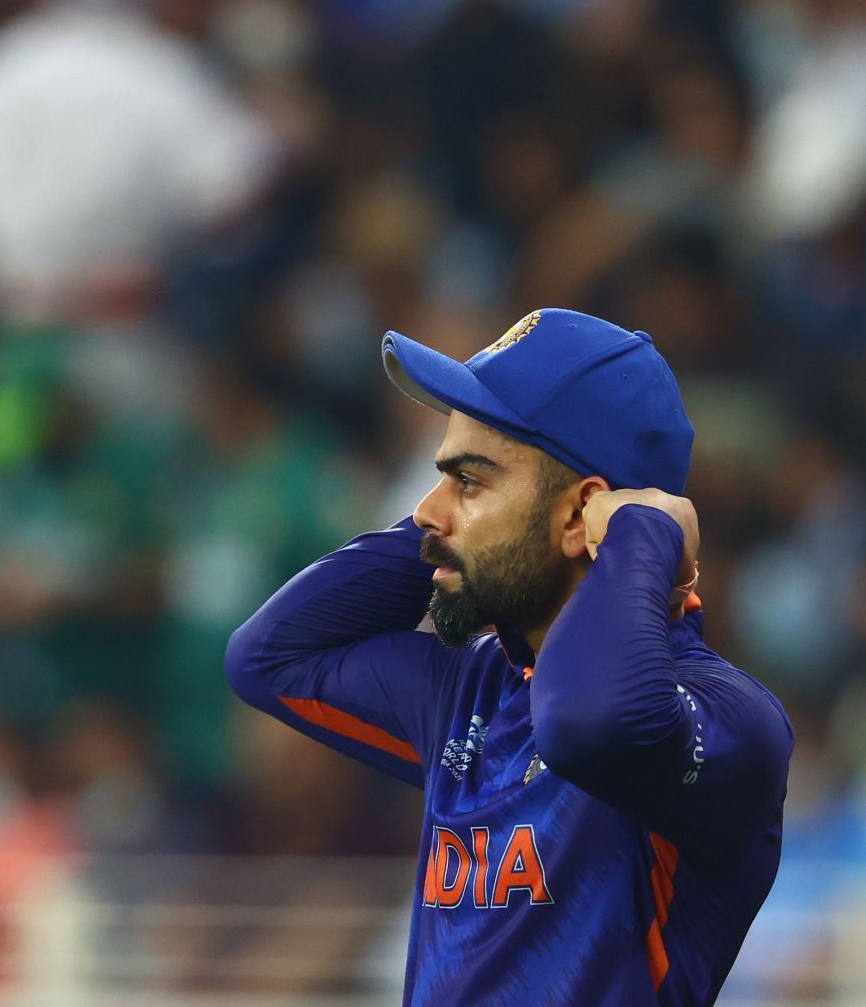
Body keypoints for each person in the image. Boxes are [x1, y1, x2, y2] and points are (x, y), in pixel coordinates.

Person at [226, 308, 793, 1005]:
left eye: (468, 481)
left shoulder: (728, 718)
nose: (428, 510)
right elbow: (270, 656)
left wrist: (640, 535)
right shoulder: (468, 689)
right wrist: (458, 532)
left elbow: (589, 723)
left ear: (580, 514)